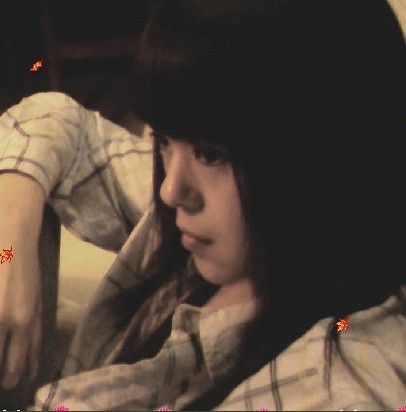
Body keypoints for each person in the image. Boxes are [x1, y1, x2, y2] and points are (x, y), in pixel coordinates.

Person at [0, 0, 405, 410]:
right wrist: (9, 247)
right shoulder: (228, 231)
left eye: (211, 154)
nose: (170, 191)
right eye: (163, 141)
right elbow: (55, 118)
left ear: (321, 159)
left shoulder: (331, 390)